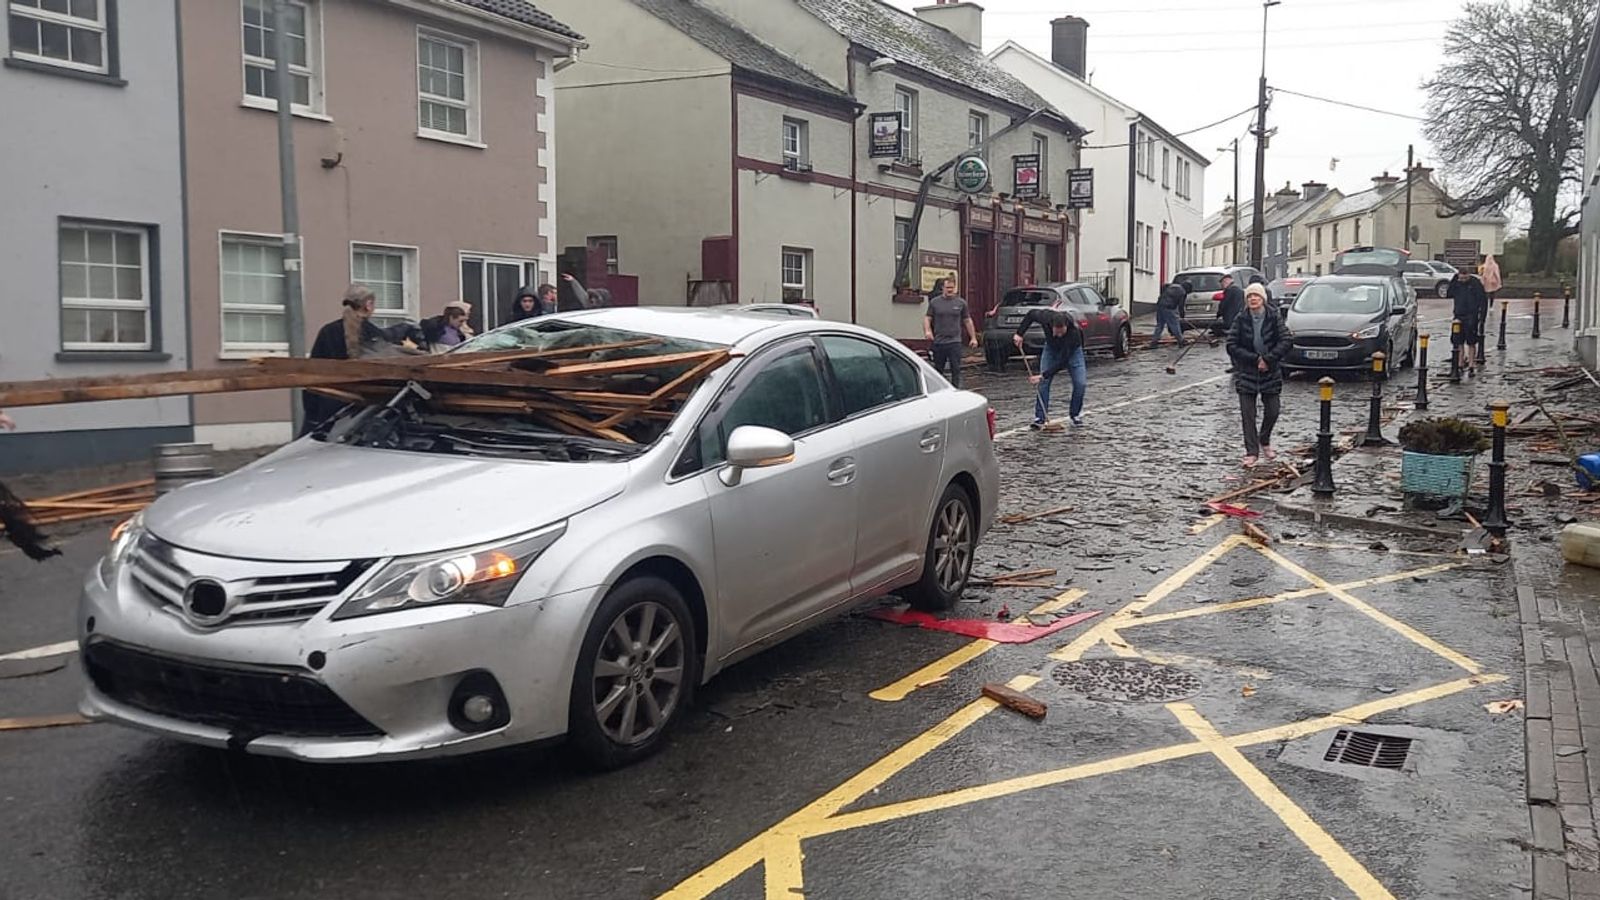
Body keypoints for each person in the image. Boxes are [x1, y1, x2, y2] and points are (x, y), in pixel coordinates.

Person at [302, 284, 408, 435]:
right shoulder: (373, 335)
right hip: (358, 410)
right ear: (368, 305)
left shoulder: (327, 331)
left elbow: (311, 371)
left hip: (327, 405)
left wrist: (311, 412)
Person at [1225, 283, 1292, 468]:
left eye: (1256, 296)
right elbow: (1231, 345)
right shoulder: (1241, 319)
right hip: (1247, 371)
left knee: (1273, 411)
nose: (1253, 299)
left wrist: (1268, 359)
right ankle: (1251, 452)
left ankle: (1264, 439)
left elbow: (1286, 340)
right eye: (1249, 297)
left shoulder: (1273, 317)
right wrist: (1255, 359)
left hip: (1270, 371)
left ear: (1263, 299)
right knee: (1248, 414)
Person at [1014, 309, 1087, 429]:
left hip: (1072, 353)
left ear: (1066, 327)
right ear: (1051, 326)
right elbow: (1031, 314)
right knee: (1043, 384)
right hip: (1051, 349)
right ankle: (1040, 417)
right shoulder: (1046, 317)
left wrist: (1043, 375)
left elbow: (1062, 362)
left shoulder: (1074, 333)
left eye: (1061, 333)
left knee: (1080, 383)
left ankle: (1075, 415)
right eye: (1056, 332)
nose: (1059, 335)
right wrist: (1019, 334)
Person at [923, 278, 979, 388]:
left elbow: (967, 320)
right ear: (943, 288)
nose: (950, 290)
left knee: (956, 369)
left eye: (952, 288)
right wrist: (927, 331)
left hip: (955, 341)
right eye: (947, 287)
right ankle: (939, 390)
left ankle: (955, 390)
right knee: (938, 369)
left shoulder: (961, 303)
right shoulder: (935, 302)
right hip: (939, 341)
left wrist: (973, 337)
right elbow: (927, 318)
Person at [1447, 269, 1488, 376]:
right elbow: (1449, 293)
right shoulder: (1457, 283)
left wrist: (1482, 318)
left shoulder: (1475, 284)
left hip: (1472, 315)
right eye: (1461, 278)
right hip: (1458, 315)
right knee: (1458, 341)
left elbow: (1483, 300)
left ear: (1469, 276)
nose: (1463, 280)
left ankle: (1471, 365)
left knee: (1471, 341)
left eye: (1465, 278)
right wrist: (1454, 280)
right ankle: (1460, 364)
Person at [1150, 281, 1188, 349]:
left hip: (1160, 306)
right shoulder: (1182, 292)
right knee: (1174, 324)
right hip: (1169, 308)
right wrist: (1182, 315)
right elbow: (1181, 305)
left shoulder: (1171, 286)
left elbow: (1164, 287)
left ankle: (1154, 342)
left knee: (1160, 325)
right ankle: (1181, 341)